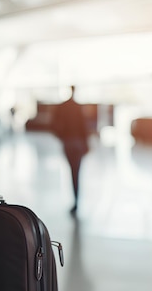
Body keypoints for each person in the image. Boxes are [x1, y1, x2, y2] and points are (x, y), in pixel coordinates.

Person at [51, 85, 89, 215]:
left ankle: (75, 201)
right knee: (76, 171)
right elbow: (84, 127)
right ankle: (76, 200)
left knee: (72, 171)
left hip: (68, 142)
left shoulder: (63, 107)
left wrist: (62, 137)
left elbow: (54, 124)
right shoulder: (78, 107)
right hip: (77, 142)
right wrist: (86, 144)